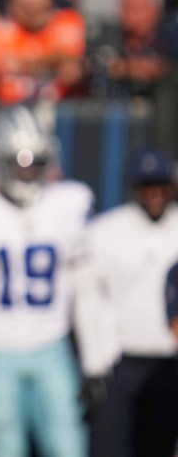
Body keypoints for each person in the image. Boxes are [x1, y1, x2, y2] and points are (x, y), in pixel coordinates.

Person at [0, 105, 108, 457]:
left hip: (52, 343)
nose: (26, 172)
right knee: (5, 447)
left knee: (68, 445)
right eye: (18, 162)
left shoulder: (68, 202)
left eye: (34, 163)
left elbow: (86, 291)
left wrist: (94, 362)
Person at [87, 146, 178, 457]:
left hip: (170, 363)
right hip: (121, 365)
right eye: (146, 186)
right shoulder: (106, 231)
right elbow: (90, 300)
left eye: (161, 186)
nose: (154, 193)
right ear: (135, 188)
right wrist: (93, 362)